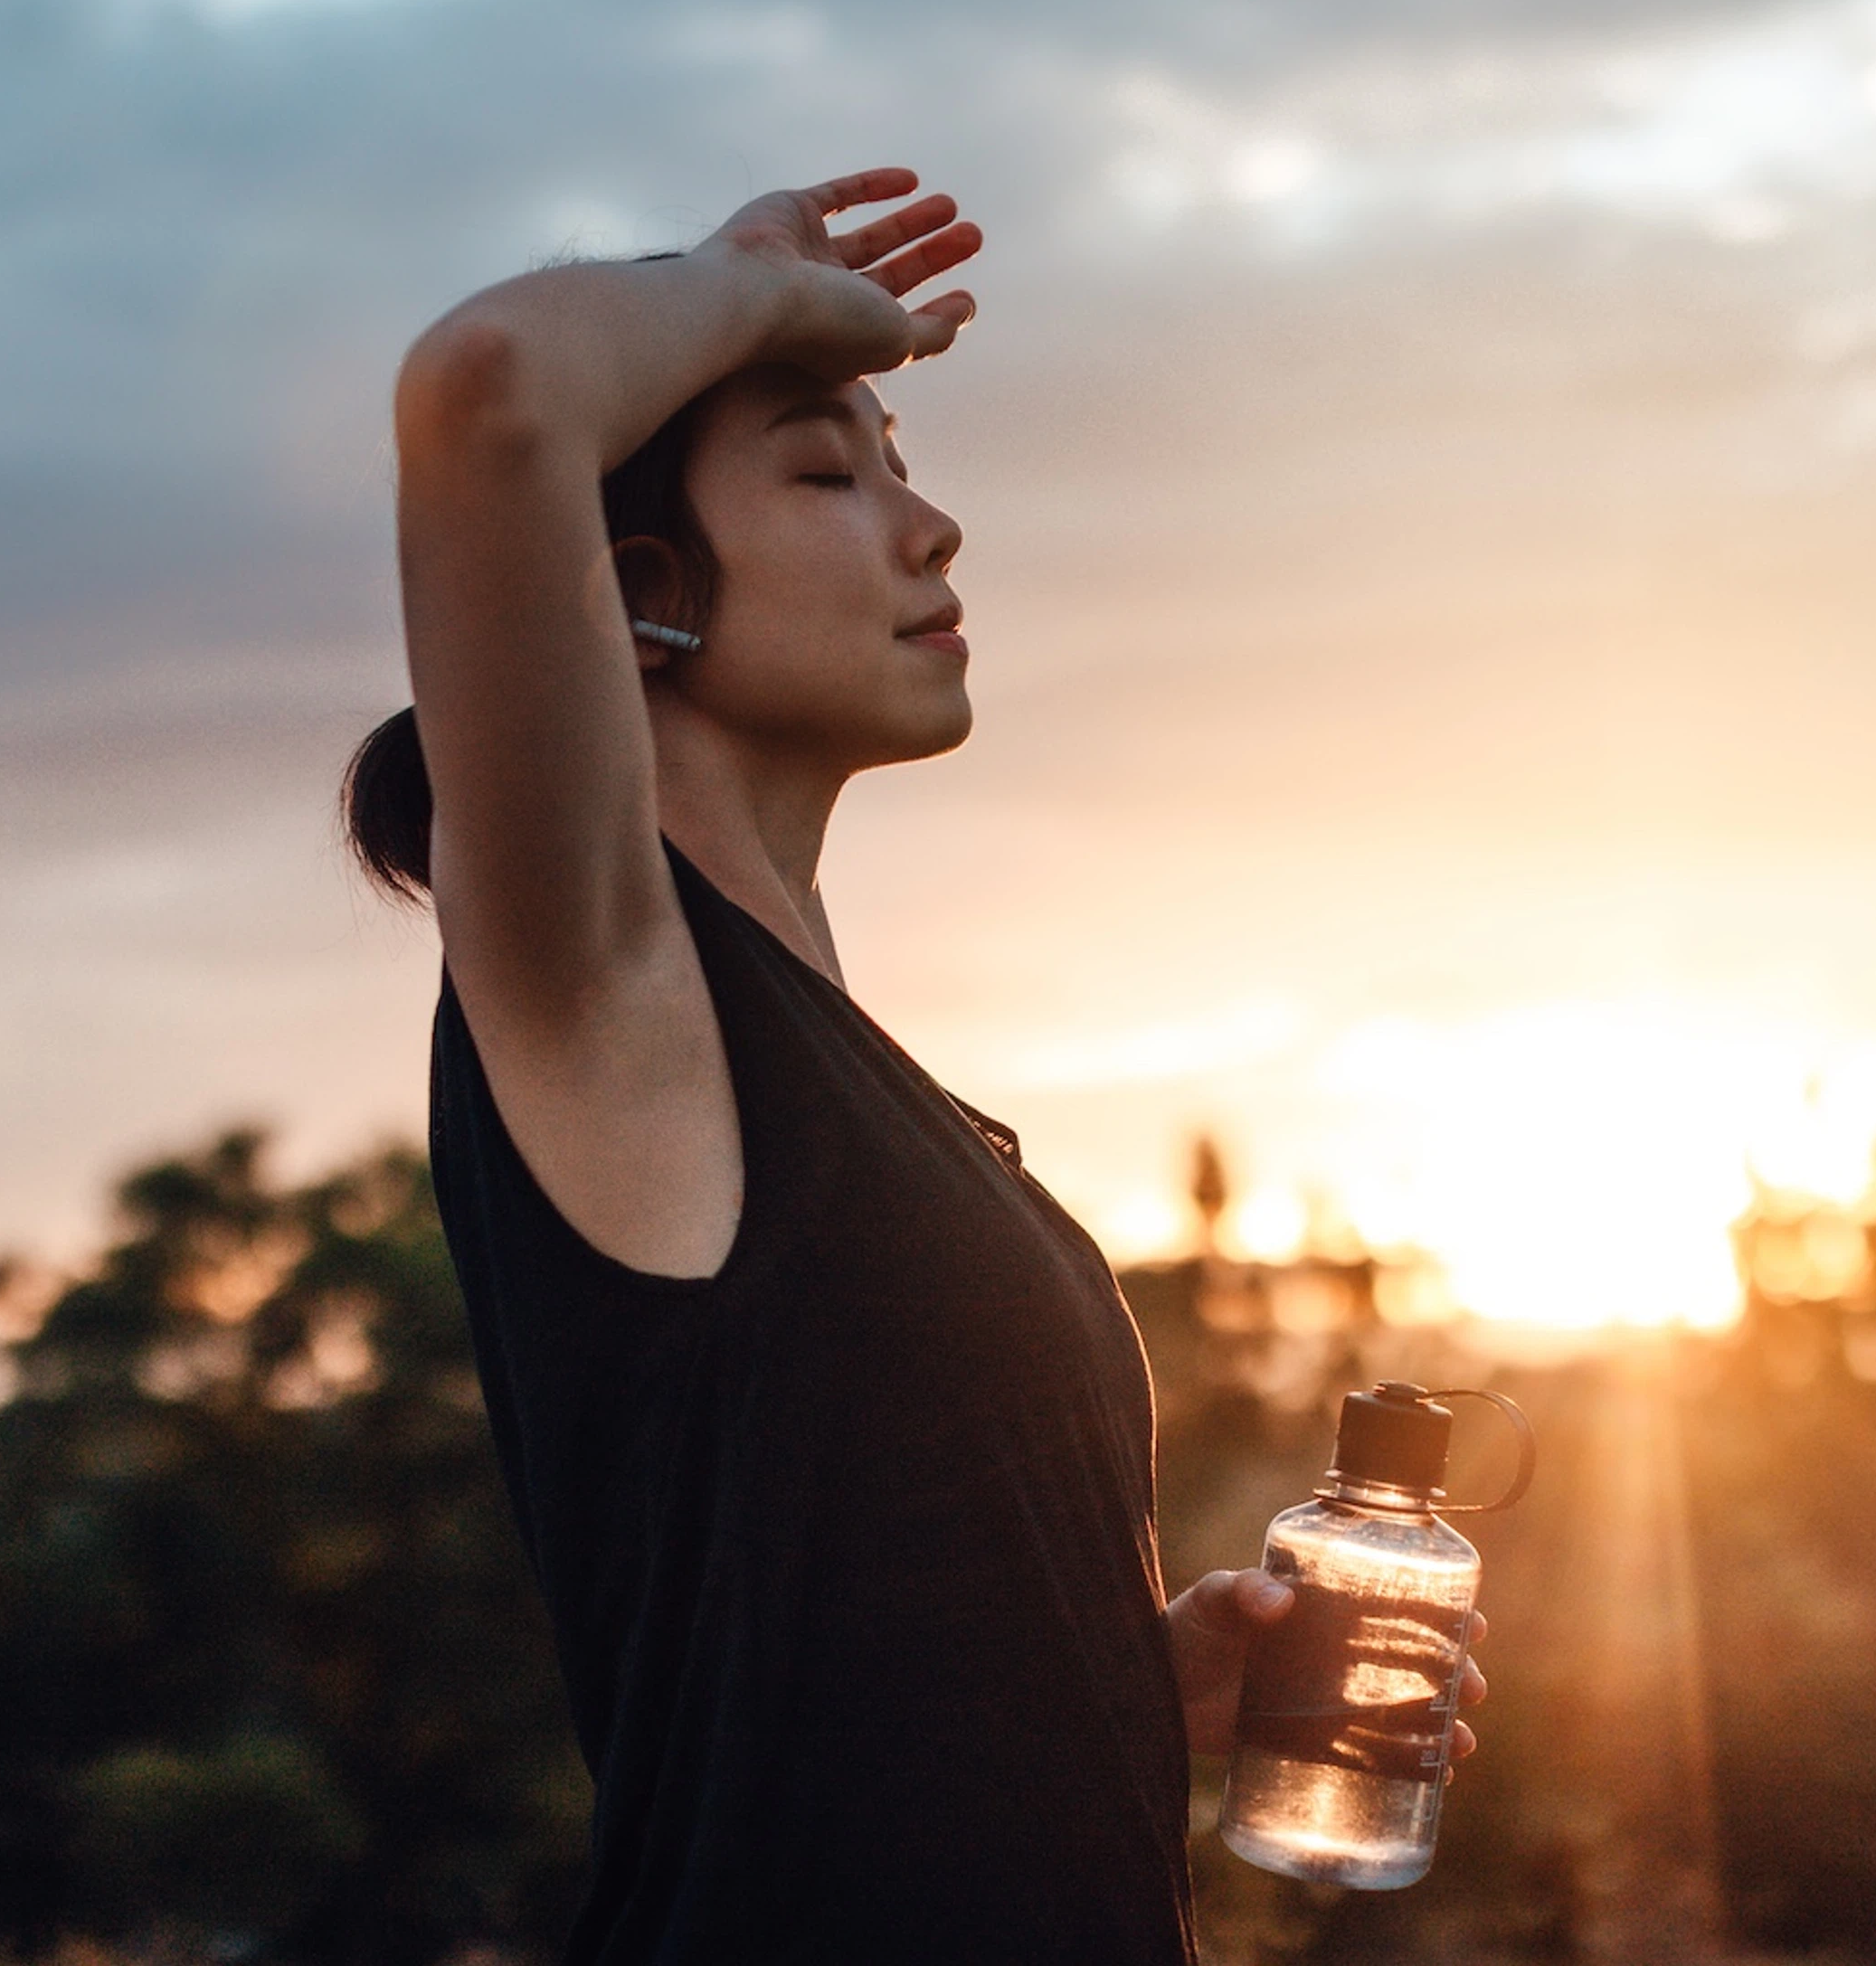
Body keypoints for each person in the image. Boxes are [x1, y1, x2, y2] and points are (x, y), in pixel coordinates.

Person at [345, 169, 1483, 1961]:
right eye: (825, 468)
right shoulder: (616, 982)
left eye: (899, 460)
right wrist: (745, 287)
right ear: (641, 592)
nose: (932, 527)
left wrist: (1130, 1685)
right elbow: (487, 385)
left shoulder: (852, 1083)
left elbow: (815, 1644)